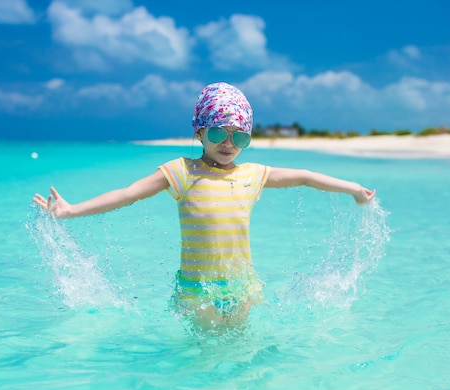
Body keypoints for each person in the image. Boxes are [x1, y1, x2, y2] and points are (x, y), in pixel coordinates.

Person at [33, 82, 375, 329]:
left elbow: (304, 176)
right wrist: (71, 209)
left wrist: (353, 189)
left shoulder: (253, 175)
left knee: (242, 356)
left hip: (243, 287)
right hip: (198, 291)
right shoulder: (181, 171)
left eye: (239, 136)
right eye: (218, 134)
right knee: (206, 360)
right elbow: (128, 193)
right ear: (199, 132)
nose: (228, 143)